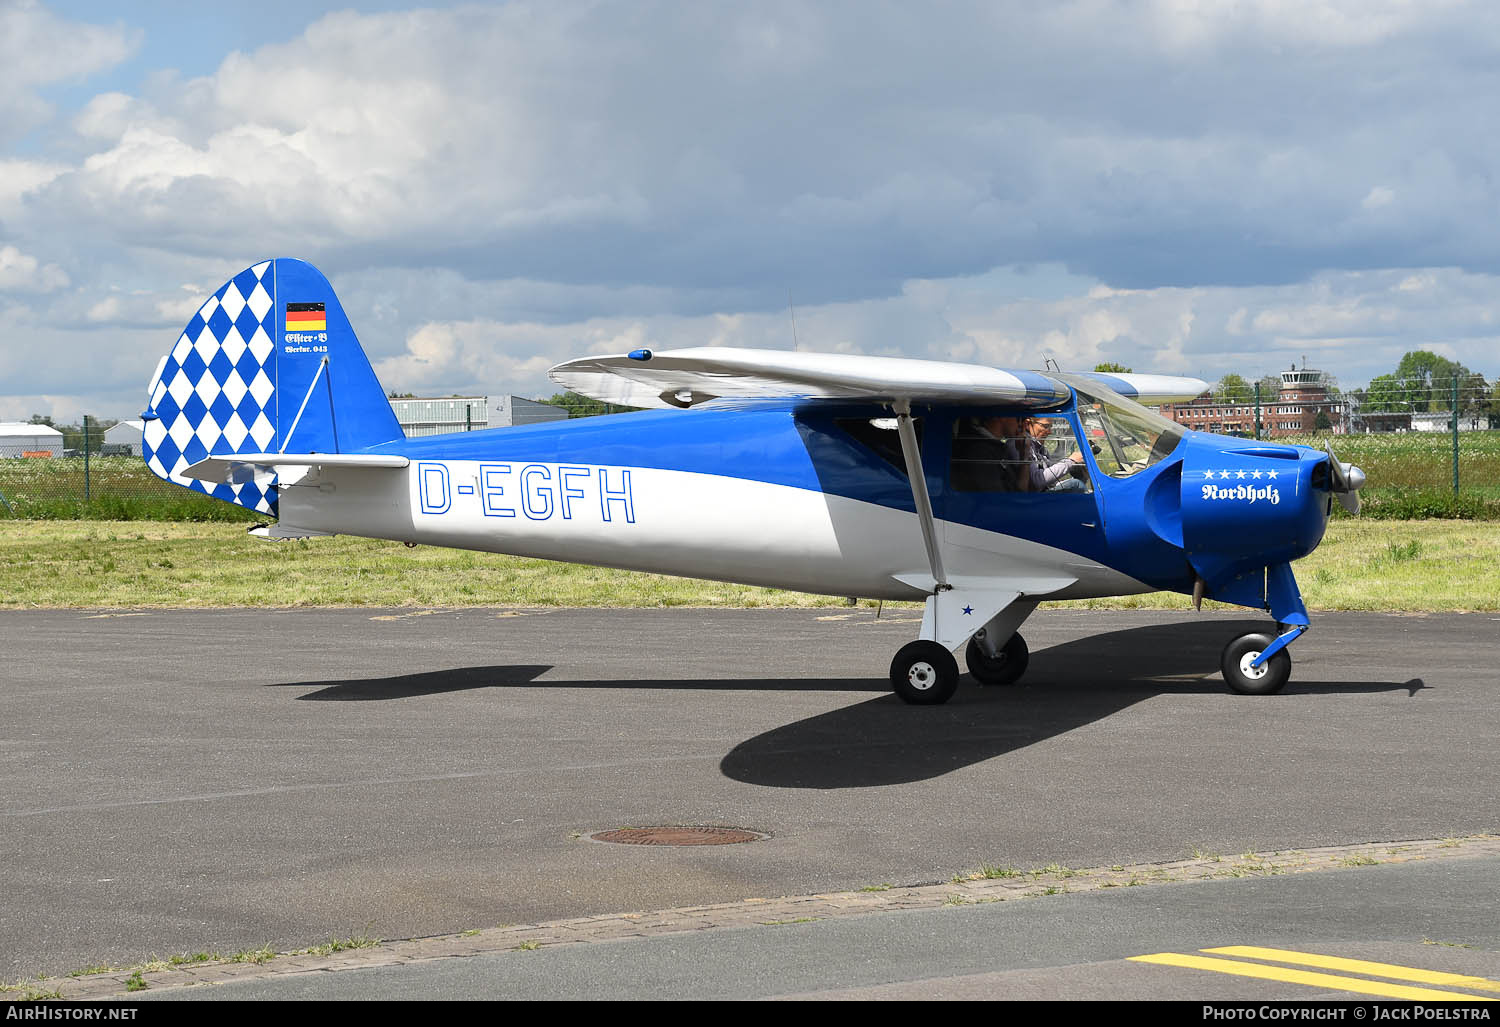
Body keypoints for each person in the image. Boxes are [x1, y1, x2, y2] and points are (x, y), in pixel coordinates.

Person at [1018, 417, 1088, 492]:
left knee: (1080, 479)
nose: (1049, 432)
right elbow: (1037, 481)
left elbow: (1051, 481)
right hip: (1035, 495)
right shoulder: (1022, 445)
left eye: (1050, 427)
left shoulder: (1040, 448)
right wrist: (1070, 461)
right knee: (1077, 484)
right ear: (1027, 424)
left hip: (1045, 489)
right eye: (1045, 426)